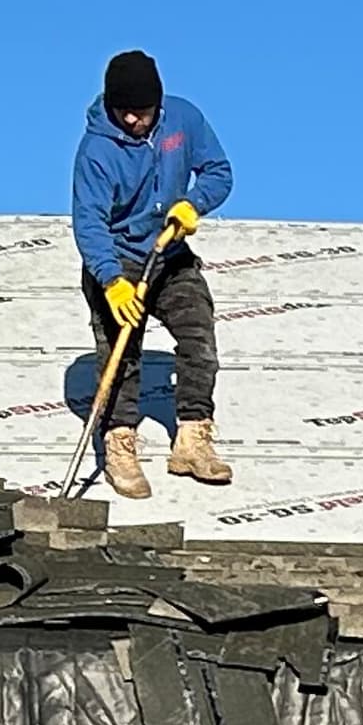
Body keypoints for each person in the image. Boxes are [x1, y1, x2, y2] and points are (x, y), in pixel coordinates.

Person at [71, 50, 236, 499]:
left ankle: (192, 438)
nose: (131, 120)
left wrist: (193, 204)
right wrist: (110, 280)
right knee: (121, 352)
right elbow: (89, 223)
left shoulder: (184, 120)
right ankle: (120, 442)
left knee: (199, 339)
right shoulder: (97, 150)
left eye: (140, 112)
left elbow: (219, 173)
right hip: (118, 259)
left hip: (169, 252)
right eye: (122, 111)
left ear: (158, 104)